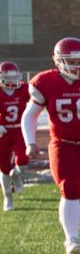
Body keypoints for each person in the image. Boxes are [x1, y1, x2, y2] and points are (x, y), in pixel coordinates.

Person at [21, 37, 80, 254]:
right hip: (62, 144)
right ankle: (71, 239)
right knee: (69, 189)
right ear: (58, 61)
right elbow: (30, 115)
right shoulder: (45, 82)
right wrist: (30, 142)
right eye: (71, 61)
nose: (77, 66)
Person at [0, 61, 30, 211]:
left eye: (14, 77)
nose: (12, 80)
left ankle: (17, 176)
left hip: (19, 130)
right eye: (8, 77)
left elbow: (37, 103)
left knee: (23, 162)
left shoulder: (25, 88)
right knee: (4, 168)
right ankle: (8, 197)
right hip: (2, 133)